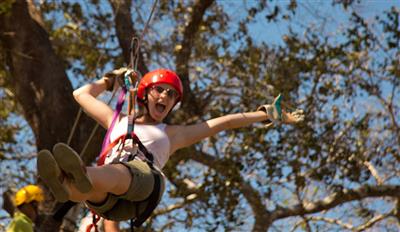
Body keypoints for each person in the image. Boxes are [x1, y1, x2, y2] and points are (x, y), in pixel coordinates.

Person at [37, 68, 304, 226]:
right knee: (90, 191)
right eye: (160, 90)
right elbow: (80, 94)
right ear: (145, 94)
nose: (165, 96)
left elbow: (223, 123)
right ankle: (68, 184)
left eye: (171, 94)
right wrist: (111, 80)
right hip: (113, 204)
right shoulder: (116, 120)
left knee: (114, 172)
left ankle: (76, 175)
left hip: (144, 185)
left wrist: (267, 113)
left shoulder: (173, 134)